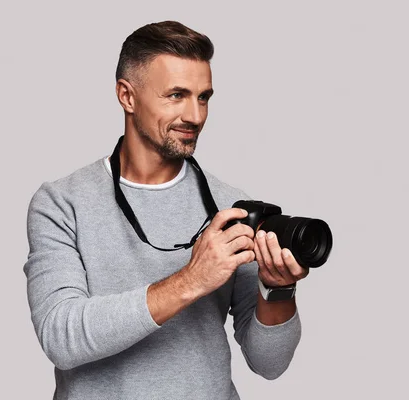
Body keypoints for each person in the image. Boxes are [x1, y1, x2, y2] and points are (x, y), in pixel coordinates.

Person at [23, 20, 309, 400]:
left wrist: (278, 289)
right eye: (176, 95)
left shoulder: (232, 208)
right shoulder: (62, 202)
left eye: (203, 97)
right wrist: (192, 279)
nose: (195, 115)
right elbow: (62, 337)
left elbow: (269, 364)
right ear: (127, 96)